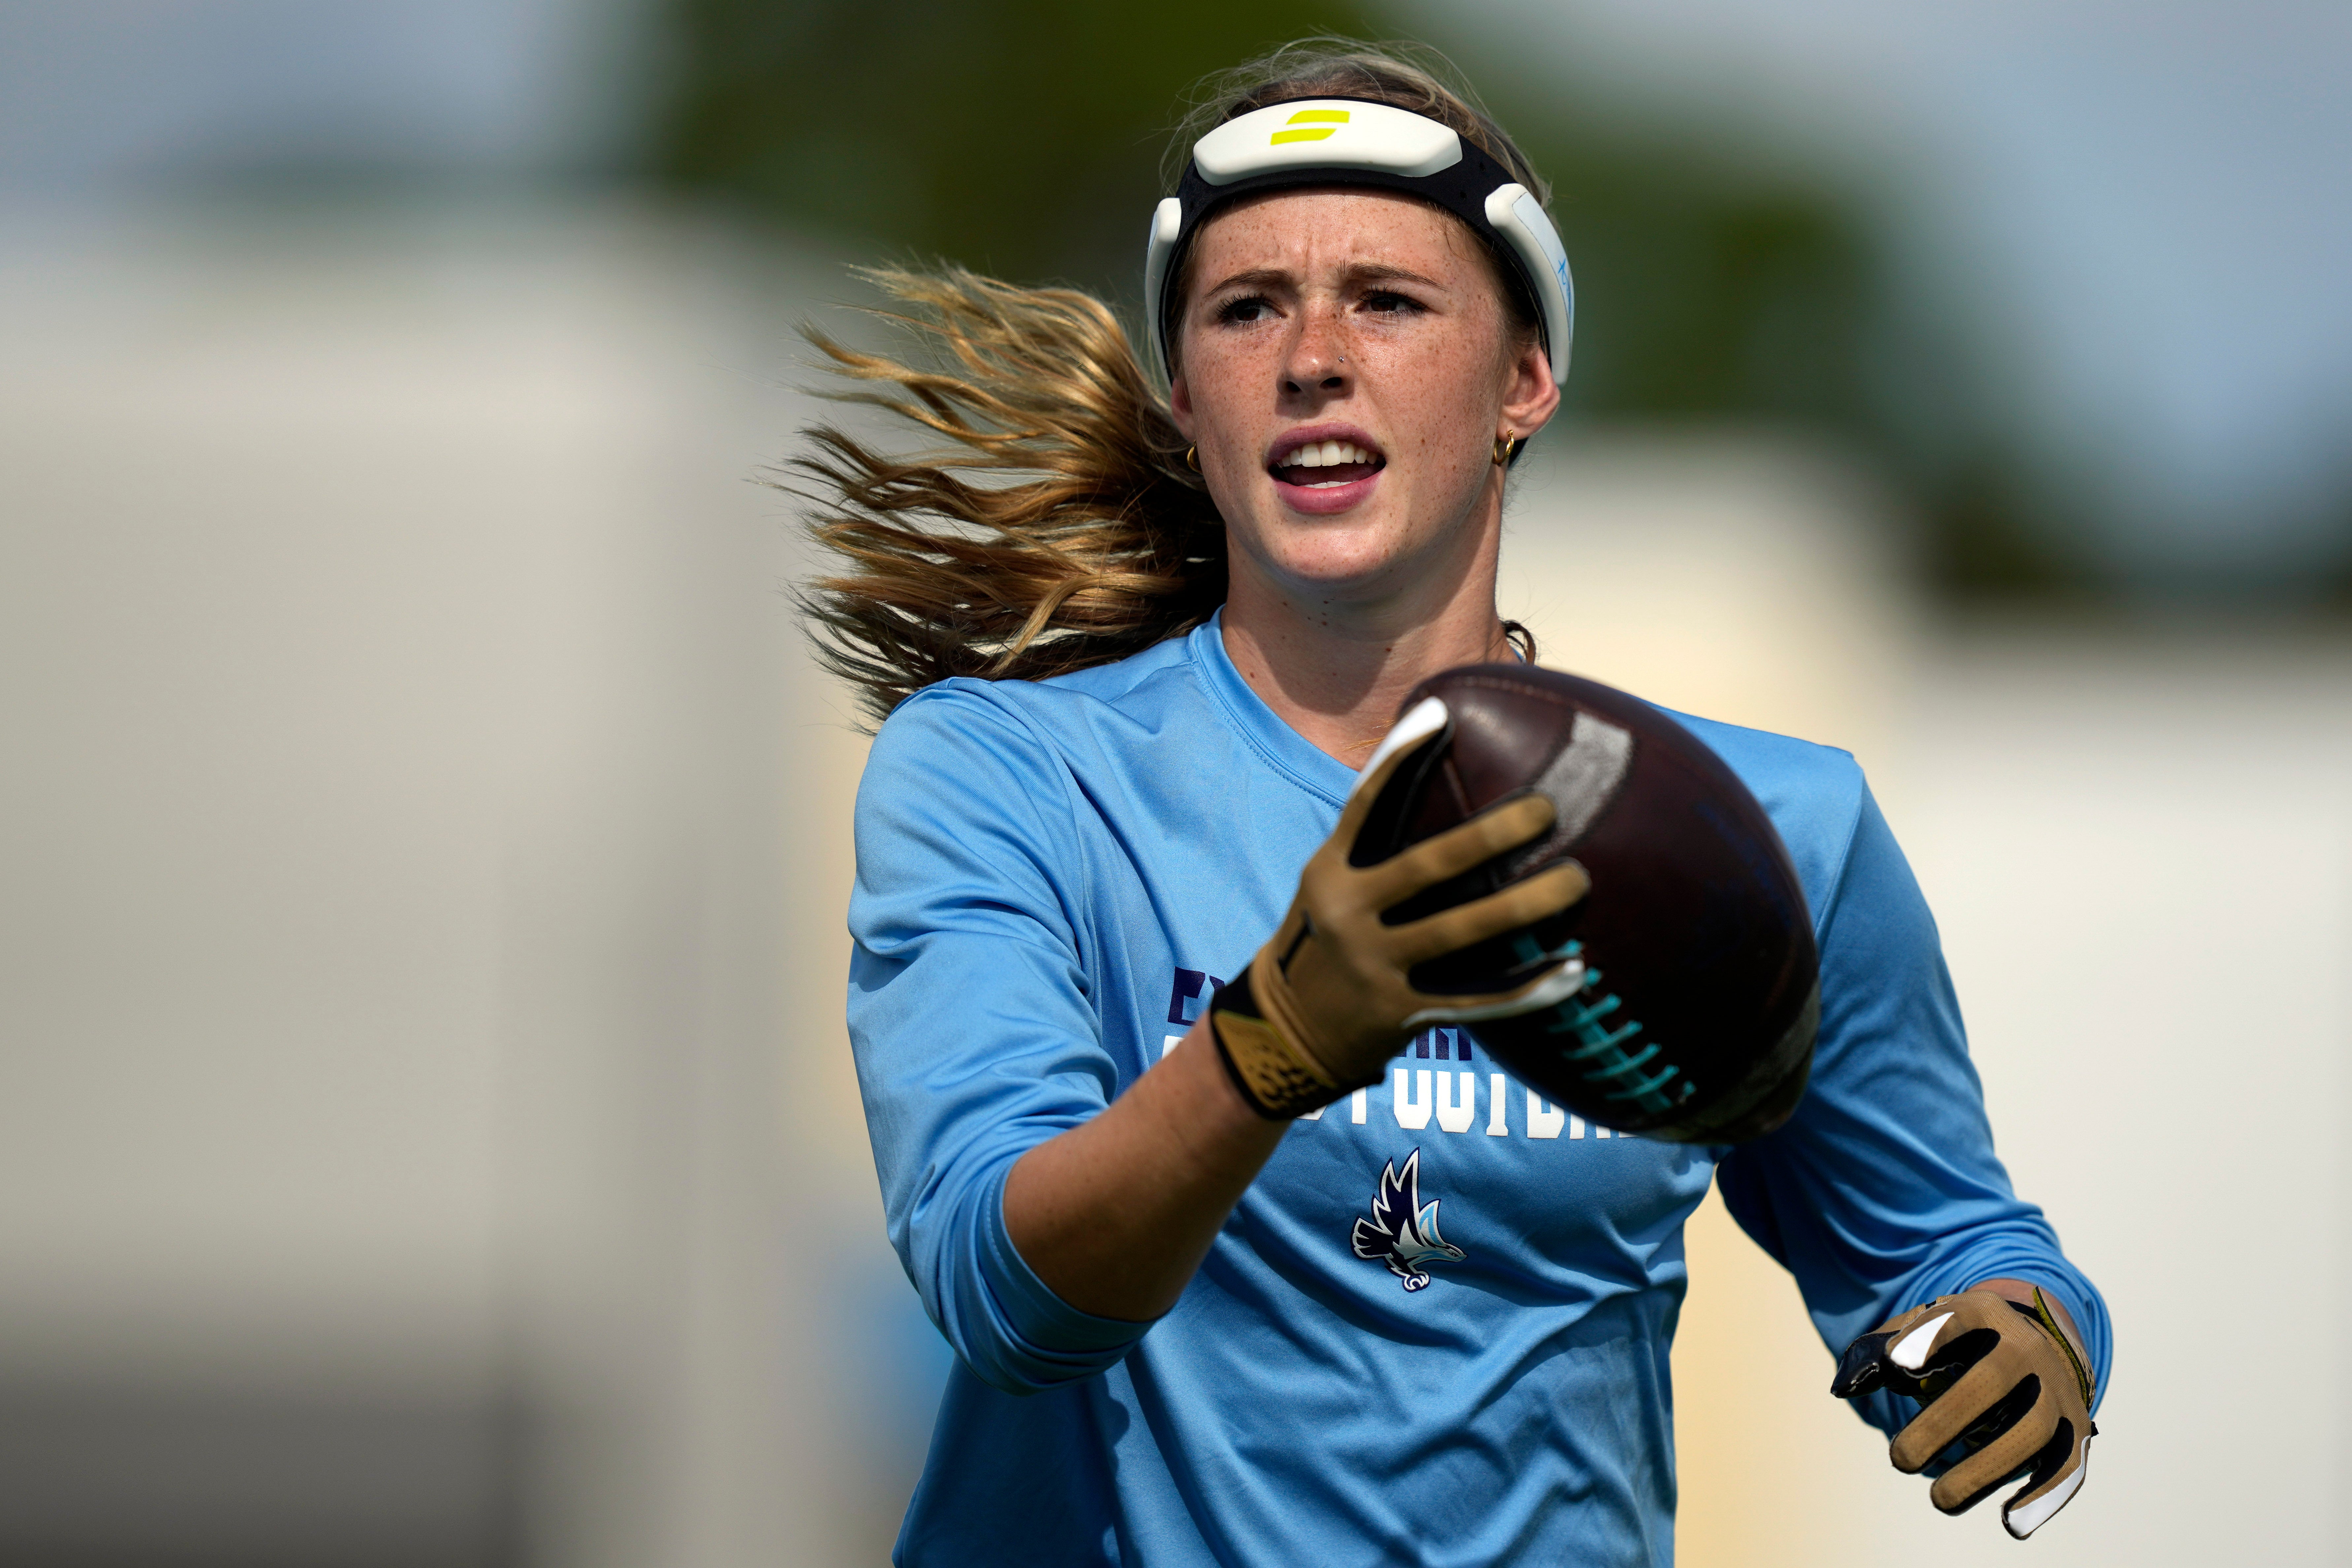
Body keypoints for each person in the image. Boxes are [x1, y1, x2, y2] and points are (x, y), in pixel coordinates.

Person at [805, 41, 2110, 1567]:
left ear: (1527, 380)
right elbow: (1005, 1297)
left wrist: (2030, 1339)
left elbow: (1947, 1242)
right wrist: (1274, 1041)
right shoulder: (1008, 776)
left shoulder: (1764, 834)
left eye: (1388, 299)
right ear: (1185, 402)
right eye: (1247, 308)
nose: (1310, 354)